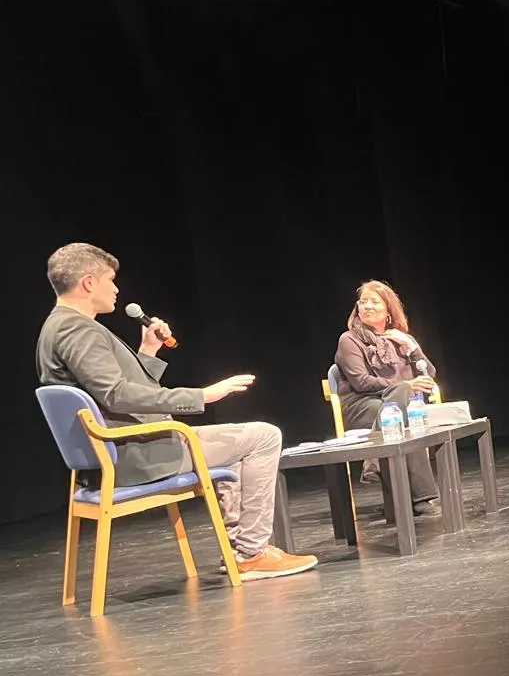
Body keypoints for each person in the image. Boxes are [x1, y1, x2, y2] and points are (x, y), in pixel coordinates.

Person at [35, 243, 318, 581]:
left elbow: (118, 389)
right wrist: (201, 396)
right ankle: (251, 554)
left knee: (237, 446)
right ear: (89, 282)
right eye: (111, 280)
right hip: (137, 453)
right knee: (263, 436)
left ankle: (242, 552)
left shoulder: (60, 325)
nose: (116, 289)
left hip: (126, 449)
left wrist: (148, 351)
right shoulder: (76, 328)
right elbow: (116, 395)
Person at [336, 281, 443, 514]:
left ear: (388, 310)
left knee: (399, 407)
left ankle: (374, 463)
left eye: (374, 302)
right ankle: (421, 498)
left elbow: (429, 375)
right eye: (363, 302)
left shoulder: (400, 340)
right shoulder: (349, 340)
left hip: (394, 407)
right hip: (362, 406)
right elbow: (361, 382)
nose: (367, 306)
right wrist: (404, 386)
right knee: (400, 401)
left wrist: (412, 347)